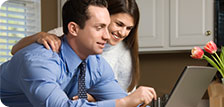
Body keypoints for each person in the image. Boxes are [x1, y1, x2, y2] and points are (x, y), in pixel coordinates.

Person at [0, 0, 156, 106]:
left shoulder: (96, 64)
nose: (107, 36)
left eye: (107, 27)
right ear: (73, 29)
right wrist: (124, 103)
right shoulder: (40, 61)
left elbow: (123, 100)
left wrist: (134, 101)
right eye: (99, 27)